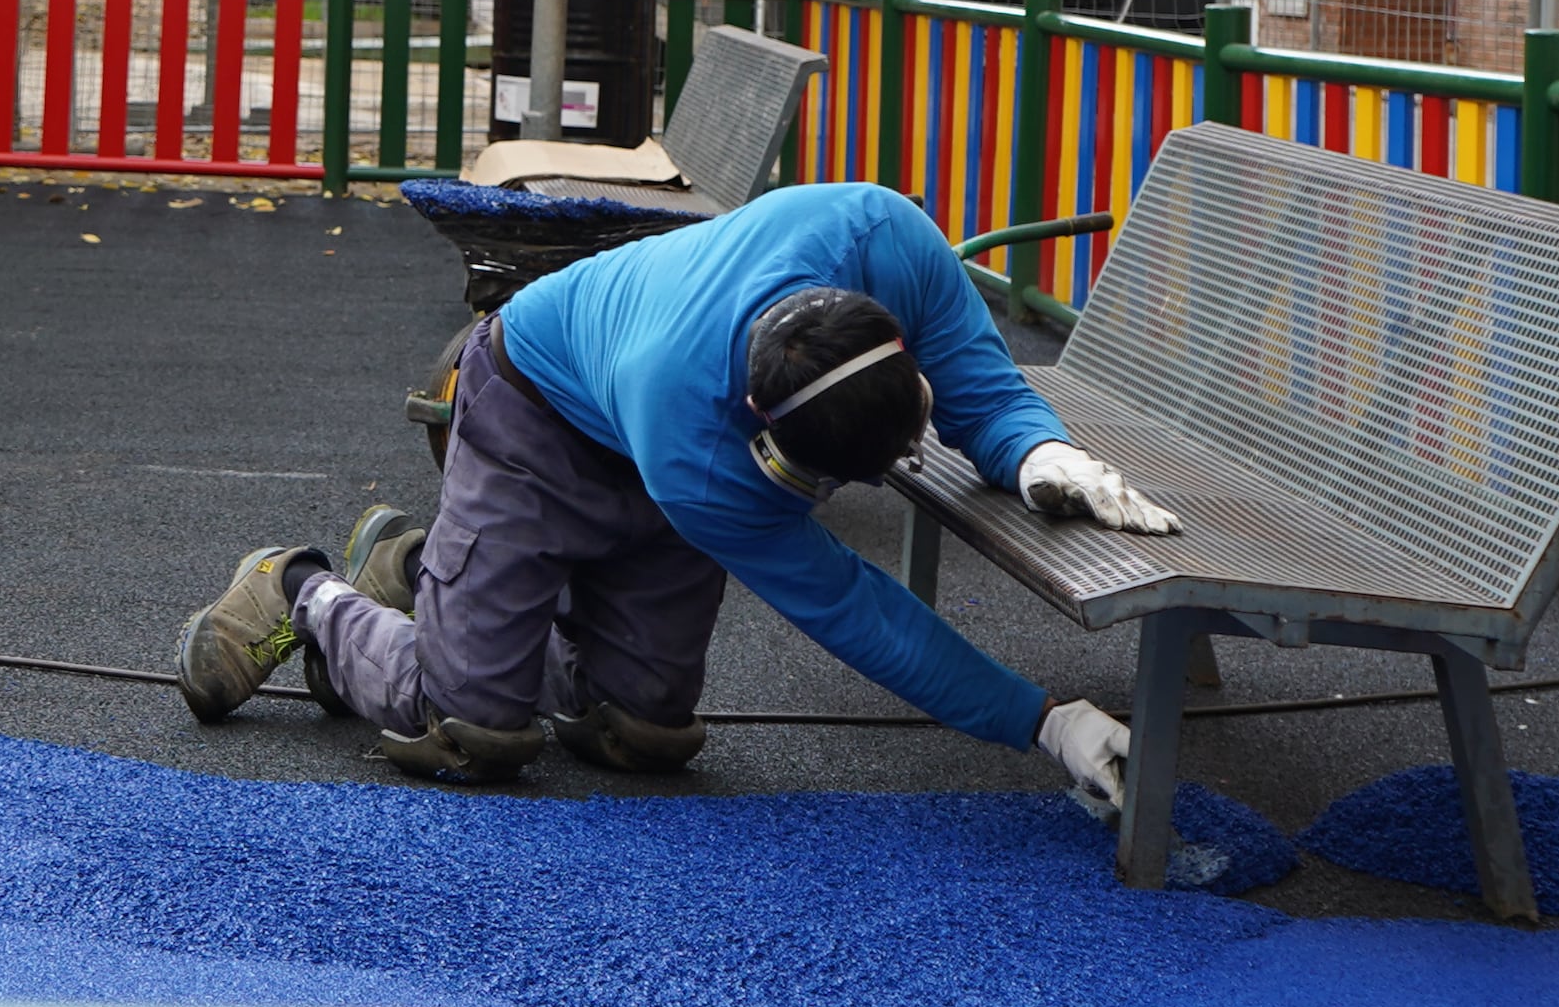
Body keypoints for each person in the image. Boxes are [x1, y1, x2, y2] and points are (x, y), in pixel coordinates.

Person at [171, 180, 1175, 810]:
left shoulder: (882, 236)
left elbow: (980, 383)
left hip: (652, 433)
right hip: (533, 418)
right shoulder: (702, 459)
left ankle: (437, 573)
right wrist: (1041, 721)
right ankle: (303, 592)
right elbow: (859, 614)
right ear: (758, 426)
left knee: (641, 734)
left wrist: (1038, 454)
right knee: (469, 728)